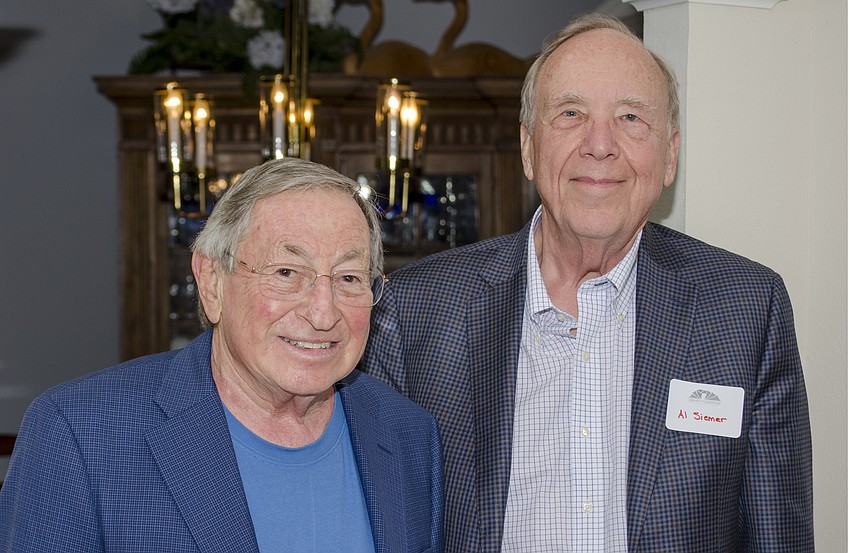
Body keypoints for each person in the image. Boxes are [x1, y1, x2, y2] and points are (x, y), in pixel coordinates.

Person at [362, 13, 813, 553]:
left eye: (630, 117)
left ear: (669, 155)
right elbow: (376, 525)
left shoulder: (745, 310)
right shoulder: (415, 310)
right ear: (528, 147)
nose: (600, 144)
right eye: (571, 114)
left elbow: (778, 537)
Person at [0, 157, 443, 552]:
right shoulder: (80, 433)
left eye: (349, 278)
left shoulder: (408, 433)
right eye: (286, 272)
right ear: (212, 282)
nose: (324, 313)